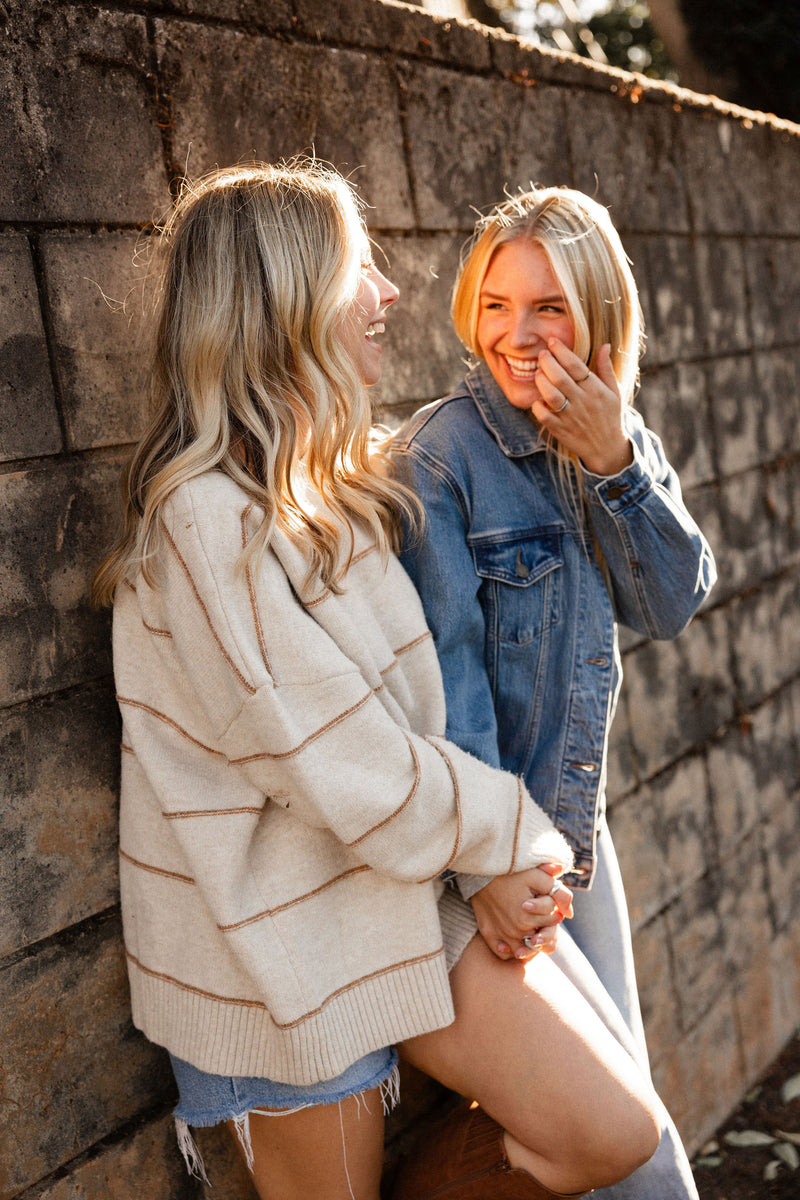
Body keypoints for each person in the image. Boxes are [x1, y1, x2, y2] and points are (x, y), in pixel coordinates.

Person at [93, 162, 661, 1200]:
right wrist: (500, 841)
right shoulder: (201, 525)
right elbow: (339, 758)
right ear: (289, 299)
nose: (391, 295)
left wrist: (608, 455)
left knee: (613, 1130)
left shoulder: (342, 481)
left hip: (394, 892)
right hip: (278, 951)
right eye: (361, 268)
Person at [392, 185, 717, 1200]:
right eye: (495, 304)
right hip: (490, 855)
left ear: (596, 312)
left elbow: (670, 602)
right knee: (641, 1156)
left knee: (628, 1119)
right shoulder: (443, 458)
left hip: (578, 838)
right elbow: (443, 685)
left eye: (547, 308)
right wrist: (494, 863)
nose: (516, 334)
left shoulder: (607, 435)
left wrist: (614, 462)